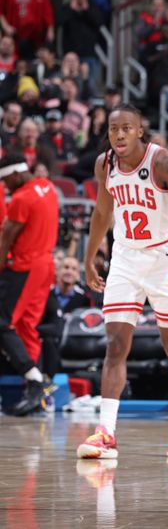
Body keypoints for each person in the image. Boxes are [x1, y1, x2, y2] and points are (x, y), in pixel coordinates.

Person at [77, 103, 168, 460]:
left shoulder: (163, 162)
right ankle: (106, 432)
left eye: (126, 128)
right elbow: (102, 212)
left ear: (139, 132)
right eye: (113, 128)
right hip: (125, 259)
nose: (118, 134)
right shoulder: (105, 164)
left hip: (165, 260)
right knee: (116, 343)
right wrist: (88, 259)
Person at [0, 154, 59, 416]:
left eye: (5, 179)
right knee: (25, 326)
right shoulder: (48, 187)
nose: (5, 185)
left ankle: (36, 379)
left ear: (15, 173)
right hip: (46, 264)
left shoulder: (22, 198)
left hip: (25, 267)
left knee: (2, 324)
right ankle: (35, 394)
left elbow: (6, 239)